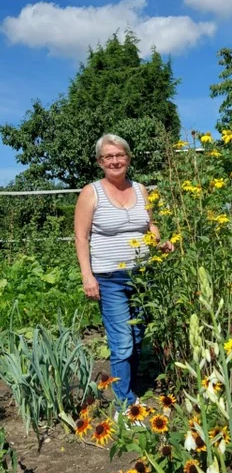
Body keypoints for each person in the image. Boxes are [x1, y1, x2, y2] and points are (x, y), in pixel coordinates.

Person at [74, 133, 173, 410]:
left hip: (142, 276)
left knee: (138, 337)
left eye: (119, 155)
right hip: (109, 278)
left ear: (128, 158)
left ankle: (129, 389)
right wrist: (87, 276)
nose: (115, 161)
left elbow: (149, 226)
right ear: (99, 162)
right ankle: (124, 405)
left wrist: (159, 242)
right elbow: (81, 238)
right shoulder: (90, 192)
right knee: (122, 342)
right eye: (108, 157)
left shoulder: (141, 190)